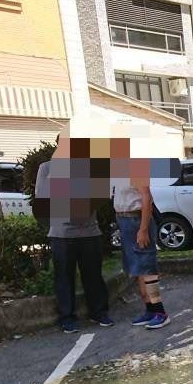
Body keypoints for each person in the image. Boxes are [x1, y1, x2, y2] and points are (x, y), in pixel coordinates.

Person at [34, 135, 113, 333]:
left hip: (90, 231)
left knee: (93, 275)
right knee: (64, 276)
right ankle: (67, 316)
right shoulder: (47, 168)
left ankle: (99, 312)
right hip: (61, 233)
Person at [112, 148, 169, 329]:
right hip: (124, 220)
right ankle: (149, 309)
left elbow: (146, 198)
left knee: (146, 265)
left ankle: (160, 312)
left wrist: (143, 229)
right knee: (137, 267)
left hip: (137, 220)